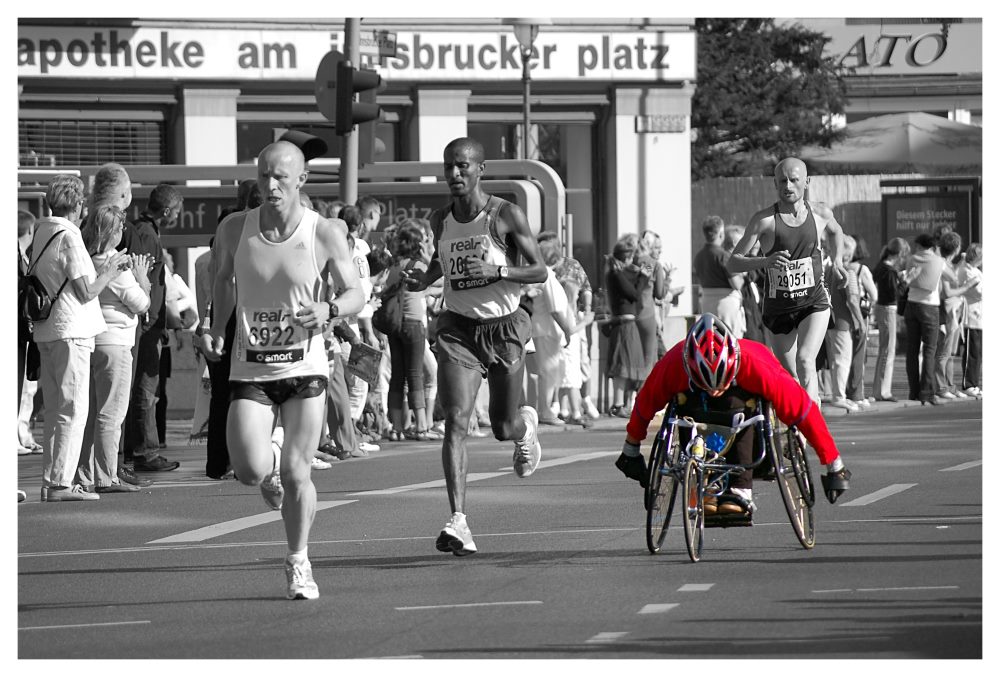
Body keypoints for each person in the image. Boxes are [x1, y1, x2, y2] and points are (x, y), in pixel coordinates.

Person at [200, 140, 364, 599]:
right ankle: (268, 463)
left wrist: (329, 310)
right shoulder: (236, 228)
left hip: (305, 367)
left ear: (301, 180)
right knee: (249, 470)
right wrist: (215, 327)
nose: (271, 185)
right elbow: (222, 282)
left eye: (281, 177)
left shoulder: (325, 232)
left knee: (298, 474)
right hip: (250, 368)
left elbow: (356, 293)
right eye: (264, 176)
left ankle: (298, 561)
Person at [402, 137, 548, 556]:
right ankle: (459, 520)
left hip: (503, 328)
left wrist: (498, 268)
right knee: (456, 420)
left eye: (463, 166)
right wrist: (423, 280)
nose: (454, 174)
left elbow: (538, 270)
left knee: (502, 426)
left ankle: (525, 430)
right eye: (449, 166)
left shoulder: (505, 215)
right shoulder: (439, 220)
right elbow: (442, 265)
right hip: (457, 328)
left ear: (481, 169)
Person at [615, 313, 852, 514]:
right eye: (707, 384)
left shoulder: (756, 363)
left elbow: (803, 411)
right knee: (684, 407)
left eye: (721, 383)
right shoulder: (673, 364)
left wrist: (834, 465)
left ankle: (740, 487)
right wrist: (631, 450)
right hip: (695, 413)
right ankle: (700, 483)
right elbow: (645, 404)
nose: (715, 391)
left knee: (742, 404)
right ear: (689, 366)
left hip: (741, 414)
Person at [31, 174, 131, 501]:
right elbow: (86, 289)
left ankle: (53, 480)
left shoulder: (42, 231)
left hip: (47, 330)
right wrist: (112, 270)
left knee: (57, 409)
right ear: (76, 204)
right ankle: (60, 483)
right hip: (72, 329)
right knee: (73, 409)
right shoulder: (69, 236)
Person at [727, 157, 847, 405]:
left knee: (806, 359)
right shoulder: (765, 220)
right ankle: (797, 427)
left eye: (794, 180)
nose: (788, 186)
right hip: (778, 307)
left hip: (813, 301)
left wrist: (838, 262)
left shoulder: (821, 213)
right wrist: (764, 261)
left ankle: (810, 427)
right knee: (792, 376)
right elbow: (733, 262)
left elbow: (837, 232)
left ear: (807, 182)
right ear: (775, 183)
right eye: (783, 181)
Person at [76, 205, 151, 494]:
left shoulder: (86, 259)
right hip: (116, 341)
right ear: (112, 231)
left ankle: (85, 473)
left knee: (91, 413)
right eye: (120, 227)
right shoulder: (115, 264)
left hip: (93, 340)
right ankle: (107, 476)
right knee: (112, 413)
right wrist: (143, 278)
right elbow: (141, 304)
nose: (123, 232)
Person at [119, 183, 183, 474]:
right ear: (167, 211)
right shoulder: (146, 234)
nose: (178, 217)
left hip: (151, 322)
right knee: (146, 388)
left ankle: (137, 450)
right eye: (177, 212)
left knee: (144, 388)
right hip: (146, 325)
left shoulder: (145, 231)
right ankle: (145, 451)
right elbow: (141, 276)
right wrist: (150, 317)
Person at [903, 233, 971, 405]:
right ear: (933, 247)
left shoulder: (911, 259)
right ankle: (926, 393)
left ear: (919, 246)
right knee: (929, 350)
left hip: (911, 306)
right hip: (929, 308)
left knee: (911, 351)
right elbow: (954, 279)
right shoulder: (938, 261)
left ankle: (914, 392)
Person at [381, 220, 431, 439]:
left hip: (395, 326)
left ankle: (396, 427)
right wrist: (426, 255)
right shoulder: (418, 266)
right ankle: (421, 425)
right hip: (413, 323)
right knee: (415, 374)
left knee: (397, 376)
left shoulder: (393, 267)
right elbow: (436, 280)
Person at [604, 234, 646, 417]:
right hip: (623, 324)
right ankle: (618, 404)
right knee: (621, 366)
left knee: (628, 365)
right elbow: (634, 294)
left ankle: (623, 403)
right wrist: (644, 276)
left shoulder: (619, 273)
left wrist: (643, 270)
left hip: (627, 323)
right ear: (626, 258)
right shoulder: (615, 274)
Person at [824, 235, 864, 412]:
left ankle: (837, 394)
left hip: (828, 319)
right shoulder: (849, 272)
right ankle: (839, 396)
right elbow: (853, 301)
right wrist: (861, 322)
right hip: (843, 322)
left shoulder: (827, 270)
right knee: (843, 360)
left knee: (834, 360)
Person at [870, 237, 910, 402]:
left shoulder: (881, 266)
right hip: (888, 309)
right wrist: (906, 281)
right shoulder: (890, 270)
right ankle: (883, 391)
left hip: (881, 308)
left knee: (884, 350)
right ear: (900, 254)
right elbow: (895, 294)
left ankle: (879, 389)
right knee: (888, 350)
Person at [695, 215, 745, 338]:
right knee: (732, 342)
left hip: (706, 303)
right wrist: (743, 274)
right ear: (721, 234)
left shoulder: (699, 256)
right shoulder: (723, 256)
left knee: (712, 340)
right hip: (726, 305)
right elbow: (737, 284)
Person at [933, 231, 968, 400]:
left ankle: (949, 386)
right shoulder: (942, 265)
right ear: (956, 248)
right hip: (947, 311)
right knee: (943, 352)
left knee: (950, 353)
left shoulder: (945, 263)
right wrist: (966, 288)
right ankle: (941, 387)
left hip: (953, 310)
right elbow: (946, 292)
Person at [845, 237, 878, 408]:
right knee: (859, 355)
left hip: (843, 316)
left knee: (846, 356)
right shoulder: (861, 269)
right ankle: (857, 393)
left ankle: (848, 391)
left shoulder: (842, 266)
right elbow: (874, 294)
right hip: (859, 314)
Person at [958, 243, 982, 398]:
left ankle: (974, 383)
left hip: (979, 317)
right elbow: (979, 292)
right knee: (971, 353)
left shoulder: (975, 271)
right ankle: (968, 383)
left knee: (977, 352)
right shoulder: (966, 271)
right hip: (971, 316)